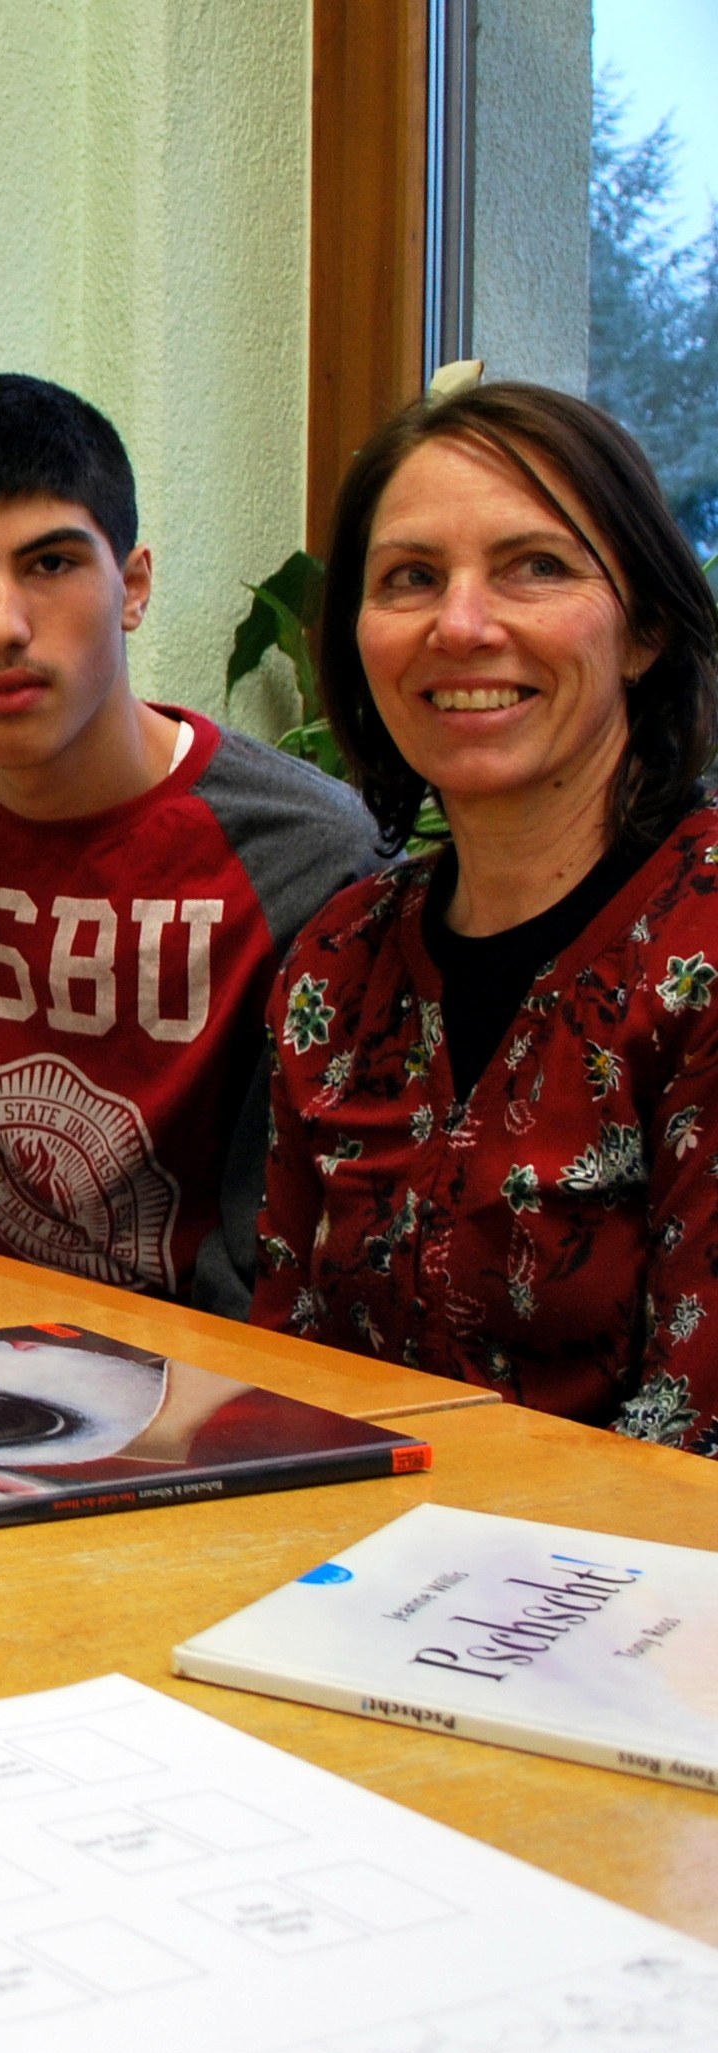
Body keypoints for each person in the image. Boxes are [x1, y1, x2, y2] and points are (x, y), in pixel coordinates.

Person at [0, 374, 376, 1315]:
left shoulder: (311, 855)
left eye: (50, 564)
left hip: (225, 1376)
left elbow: (285, 1252)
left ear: (133, 587)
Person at [252, 379, 718, 1455]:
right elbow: (284, 1365)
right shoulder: (335, 962)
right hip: (343, 1546)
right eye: (410, 578)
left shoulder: (699, 948)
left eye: (535, 566)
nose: (459, 625)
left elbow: (696, 1439)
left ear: (645, 627)